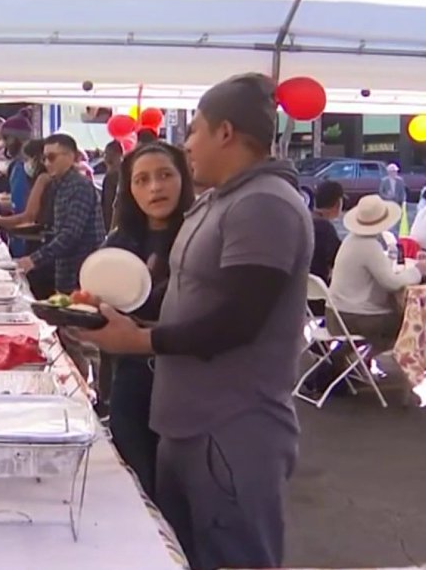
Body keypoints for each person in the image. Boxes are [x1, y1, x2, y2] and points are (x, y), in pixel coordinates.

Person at [77, 72, 312, 570]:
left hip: (230, 430)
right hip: (185, 426)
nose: (188, 148)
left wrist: (139, 340)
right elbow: (186, 294)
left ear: (224, 132)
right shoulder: (222, 200)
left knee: (232, 558)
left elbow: (238, 320)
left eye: (194, 133)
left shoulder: (264, 203)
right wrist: (113, 315)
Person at [100, 141, 195, 500]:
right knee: (135, 480)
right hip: (129, 377)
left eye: (165, 175)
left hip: (185, 380)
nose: (155, 187)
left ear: (183, 178)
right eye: (141, 180)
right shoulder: (119, 241)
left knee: (177, 490)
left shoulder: (199, 237)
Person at [330, 195, 426, 354]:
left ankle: (349, 359)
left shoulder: (351, 240)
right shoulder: (369, 246)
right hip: (354, 317)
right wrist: (418, 272)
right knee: (408, 323)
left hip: (336, 315)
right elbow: (391, 282)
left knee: (394, 318)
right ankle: (362, 359)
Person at [17, 134, 105, 295]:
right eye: (44, 158)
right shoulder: (59, 185)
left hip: (82, 275)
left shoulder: (79, 187)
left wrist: (33, 260)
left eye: (51, 157)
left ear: (70, 157)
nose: (46, 163)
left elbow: (70, 235)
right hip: (66, 272)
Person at [310, 180, 344, 282]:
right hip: (320, 287)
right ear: (338, 203)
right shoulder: (326, 228)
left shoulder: (305, 219)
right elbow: (339, 259)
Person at [100, 139, 124, 231]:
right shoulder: (112, 175)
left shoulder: (115, 175)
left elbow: (111, 203)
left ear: (119, 155)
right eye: (105, 154)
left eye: (110, 154)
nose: (106, 158)